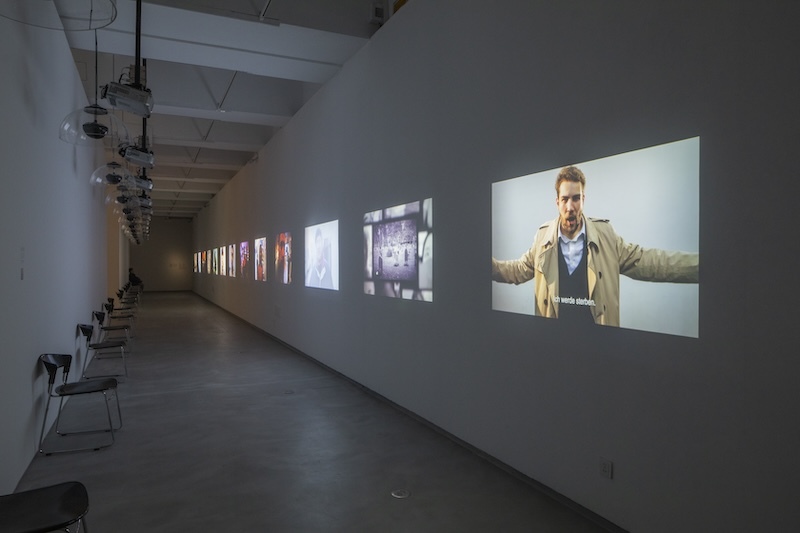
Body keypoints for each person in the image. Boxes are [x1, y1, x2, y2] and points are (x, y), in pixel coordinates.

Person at [491, 165, 698, 327]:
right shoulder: (543, 238)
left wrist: (700, 266)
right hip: (554, 344)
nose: (570, 207)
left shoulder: (605, 236)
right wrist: (485, 264)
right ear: (557, 202)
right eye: (564, 199)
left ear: (583, 199)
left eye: (576, 199)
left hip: (598, 347)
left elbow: (649, 262)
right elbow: (517, 270)